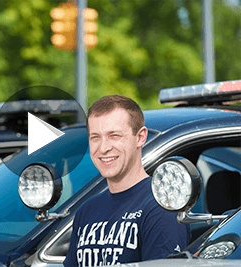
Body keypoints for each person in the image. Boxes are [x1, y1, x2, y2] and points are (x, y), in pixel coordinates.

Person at [63, 95, 190, 266]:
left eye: (114, 135)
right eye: (95, 137)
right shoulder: (86, 211)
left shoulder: (162, 206)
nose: (104, 148)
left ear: (140, 137)